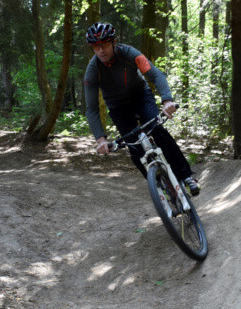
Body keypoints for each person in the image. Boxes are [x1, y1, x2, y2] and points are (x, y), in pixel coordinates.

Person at [84, 22, 200, 196]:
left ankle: (186, 176)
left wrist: (167, 100)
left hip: (140, 96)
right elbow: (91, 108)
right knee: (135, 148)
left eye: (105, 44)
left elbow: (155, 74)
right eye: (95, 47)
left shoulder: (130, 53)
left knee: (158, 131)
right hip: (117, 107)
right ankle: (161, 189)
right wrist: (100, 139)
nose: (101, 50)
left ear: (114, 42)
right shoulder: (92, 71)